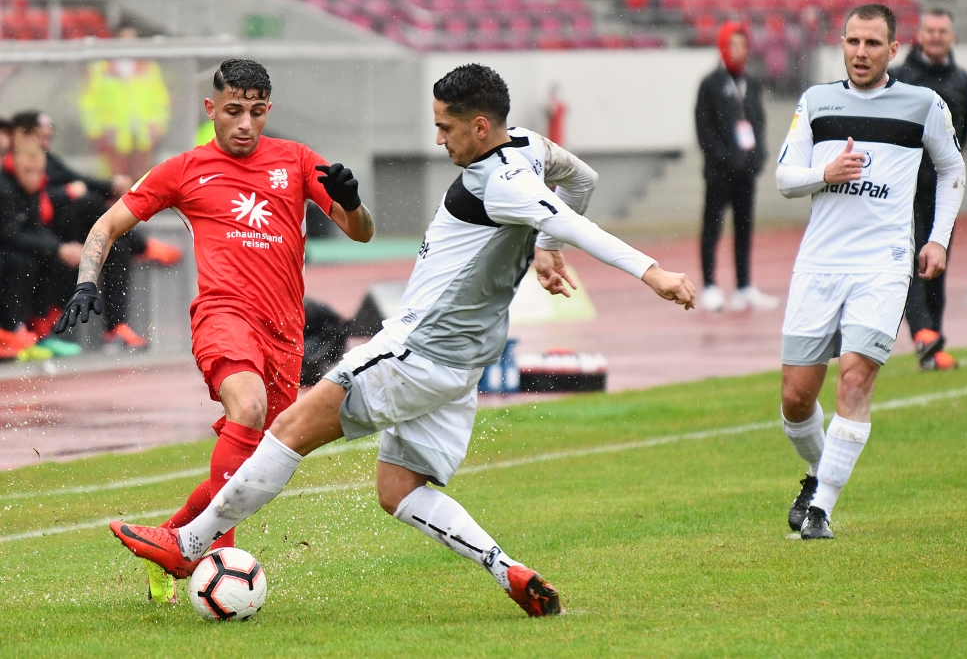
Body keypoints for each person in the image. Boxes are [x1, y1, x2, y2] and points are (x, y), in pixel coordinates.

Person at [107, 63, 696, 618]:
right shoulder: (531, 147)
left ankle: (189, 544)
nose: (438, 139)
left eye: (445, 127)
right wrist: (546, 250)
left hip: (415, 350)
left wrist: (653, 273)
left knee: (287, 431)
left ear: (480, 126)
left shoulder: (499, 182)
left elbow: (570, 220)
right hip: (463, 369)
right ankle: (507, 569)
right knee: (399, 490)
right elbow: (583, 180)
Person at [55, 59, 374, 602]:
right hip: (223, 316)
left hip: (285, 335)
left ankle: (169, 542)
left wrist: (352, 201)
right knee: (246, 408)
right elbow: (107, 225)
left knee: (259, 468)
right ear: (211, 109)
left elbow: (361, 232)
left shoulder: (297, 160)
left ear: (268, 110)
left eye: (256, 112)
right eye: (233, 111)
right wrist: (87, 281)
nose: (245, 124)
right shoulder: (184, 169)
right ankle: (216, 557)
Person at [776, 4, 965, 539]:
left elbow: (952, 167)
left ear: (893, 50)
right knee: (795, 399)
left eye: (873, 43)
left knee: (855, 379)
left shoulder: (924, 105)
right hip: (819, 264)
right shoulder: (816, 101)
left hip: (883, 264)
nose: (861, 53)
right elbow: (785, 179)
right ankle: (819, 473)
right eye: (853, 42)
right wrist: (825, 172)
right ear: (841, 43)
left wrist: (937, 238)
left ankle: (821, 509)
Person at [9, 111, 177, 350]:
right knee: (87, 204)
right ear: (20, 135)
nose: (45, 143)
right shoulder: (11, 166)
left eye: (48, 137)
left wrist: (110, 186)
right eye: (40, 137)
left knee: (115, 244)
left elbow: (72, 178)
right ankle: (140, 243)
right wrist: (64, 197)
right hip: (46, 234)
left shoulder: (44, 157)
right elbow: (20, 216)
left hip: (55, 232)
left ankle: (116, 328)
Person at [889, 9, 967, 371]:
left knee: (937, 261)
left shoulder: (963, 81)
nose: (936, 36)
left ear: (953, 37)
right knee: (909, 260)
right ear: (919, 35)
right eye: (930, 30)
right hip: (905, 189)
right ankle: (922, 331)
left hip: (941, 191)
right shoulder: (899, 78)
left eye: (943, 31)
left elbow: (961, 135)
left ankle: (933, 342)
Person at [695, 21, 778, 312]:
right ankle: (709, 285)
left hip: (746, 173)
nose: (739, 50)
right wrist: (724, 157)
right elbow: (705, 128)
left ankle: (744, 286)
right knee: (713, 226)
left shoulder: (751, 84)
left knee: (744, 228)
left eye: (743, 44)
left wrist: (757, 156)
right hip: (719, 173)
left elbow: (758, 122)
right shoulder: (710, 84)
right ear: (722, 46)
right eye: (733, 44)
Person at [0, 142, 82, 359]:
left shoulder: (33, 190)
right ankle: (11, 331)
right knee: (20, 262)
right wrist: (58, 248)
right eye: (27, 171)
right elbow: (10, 235)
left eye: (38, 172)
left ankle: (40, 329)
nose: (33, 177)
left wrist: (62, 248)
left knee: (55, 259)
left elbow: (35, 228)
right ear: (15, 168)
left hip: (14, 248)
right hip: (8, 251)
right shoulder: (4, 189)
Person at [78, 26, 171, 181]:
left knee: (142, 178)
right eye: (125, 39)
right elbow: (88, 104)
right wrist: (96, 131)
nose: (129, 43)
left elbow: (161, 100)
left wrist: (158, 125)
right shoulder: (100, 69)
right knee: (116, 179)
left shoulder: (149, 67)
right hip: (113, 133)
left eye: (133, 39)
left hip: (142, 133)